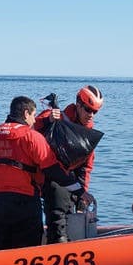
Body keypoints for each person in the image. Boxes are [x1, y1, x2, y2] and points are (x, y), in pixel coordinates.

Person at [0, 96, 84, 250]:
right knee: (28, 250)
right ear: (26, 113)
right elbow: (52, 169)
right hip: (26, 204)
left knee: (2, 247)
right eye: (34, 116)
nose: (35, 121)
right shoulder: (32, 137)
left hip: (1, 203)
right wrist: (79, 190)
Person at [34, 85, 102, 243]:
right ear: (78, 105)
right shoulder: (55, 116)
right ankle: (57, 248)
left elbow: (85, 167)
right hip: (47, 176)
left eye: (95, 111)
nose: (91, 115)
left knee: (68, 217)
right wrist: (47, 120)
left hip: (68, 181)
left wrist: (82, 195)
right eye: (88, 109)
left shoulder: (87, 134)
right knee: (57, 220)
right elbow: (30, 130)